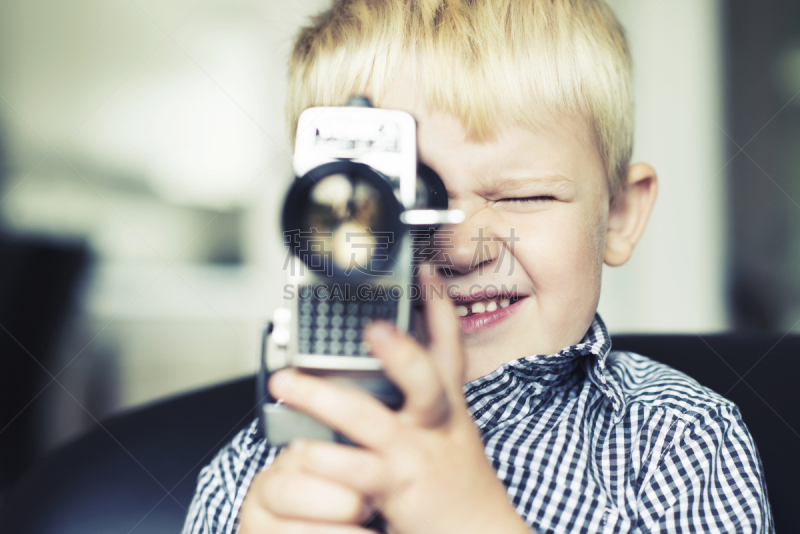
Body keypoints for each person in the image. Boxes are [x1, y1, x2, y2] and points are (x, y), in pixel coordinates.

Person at [183, 0, 773, 532]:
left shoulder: (679, 444)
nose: (463, 251)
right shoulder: (257, 478)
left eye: (524, 197)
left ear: (617, 215)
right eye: (399, 205)